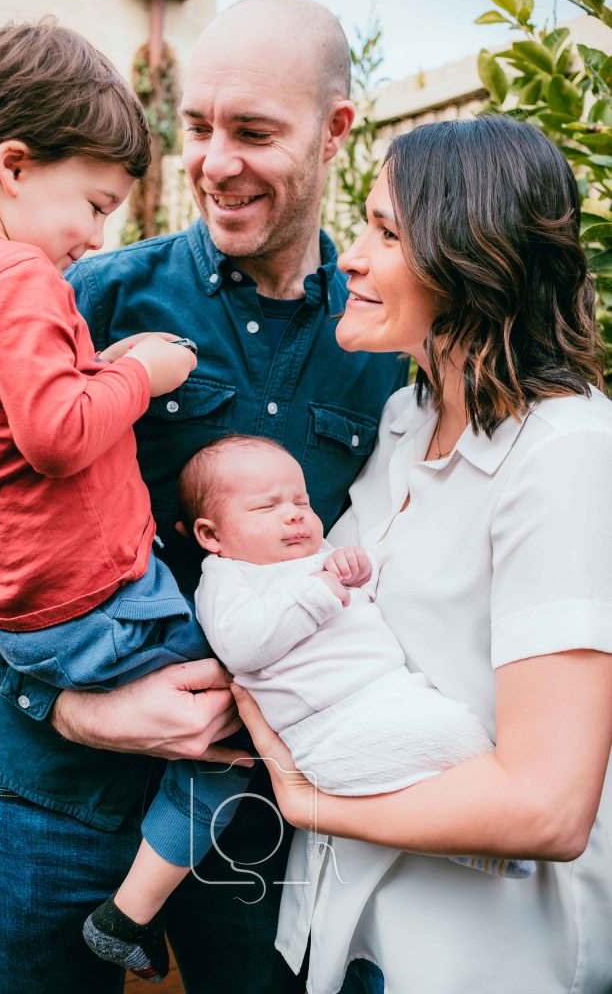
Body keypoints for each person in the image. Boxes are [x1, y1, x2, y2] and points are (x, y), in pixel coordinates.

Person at [0, 0, 407, 994]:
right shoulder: (80, 290)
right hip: (47, 798)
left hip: (251, 814)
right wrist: (65, 704)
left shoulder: (379, 350)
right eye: (197, 127)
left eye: (255, 131)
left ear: (335, 132)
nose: (215, 161)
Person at [233, 115, 612, 994]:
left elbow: (547, 805)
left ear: (476, 259)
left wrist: (309, 804)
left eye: (387, 233)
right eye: (362, 224)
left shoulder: (566, 454)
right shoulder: (406, 420)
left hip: (471, 961)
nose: (350, 258)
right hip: (342, 930)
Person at [85, 429, 538, 976]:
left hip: (384, 695)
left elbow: (359, 601)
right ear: (212, 535)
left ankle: (473, 840)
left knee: (461, 739)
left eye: (301, 501)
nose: (295, 516)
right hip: (333, 726)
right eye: (267, 506)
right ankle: (487, 835)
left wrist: (352, 572)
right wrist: (321, 592)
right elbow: (244, 647)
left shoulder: (310, 556)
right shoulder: (228, 580)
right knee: (454, 744)